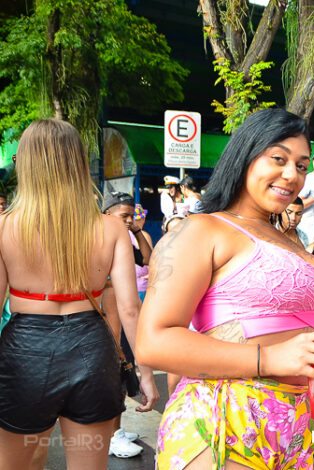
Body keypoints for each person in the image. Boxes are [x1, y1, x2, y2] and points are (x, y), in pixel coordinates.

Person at [136, 108, 314, 469]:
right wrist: (270, 358)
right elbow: (153, 342)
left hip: (295, 428)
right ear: (246, 154)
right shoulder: (203, 230)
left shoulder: (290, 239)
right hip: (223, 421)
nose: (292, 175)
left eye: (301, 165)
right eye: (278, 159)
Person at [0, 119, 157, 469]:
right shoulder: (112, 228)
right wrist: (145, 372)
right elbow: (130, 309)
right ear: (78, 162)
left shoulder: (5, 227)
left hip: (25, 353)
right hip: (92, 350)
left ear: (26, 163)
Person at [101, 192, 158, 458]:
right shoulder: (100, 241)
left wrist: (135, 230)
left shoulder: (124, 240)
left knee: (121, 376)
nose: (128, 220)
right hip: (109, 321)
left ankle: (115, 431)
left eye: (130, 216)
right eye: (123, 216)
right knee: (114, 376)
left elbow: (148, 259)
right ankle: (112, 436)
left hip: (122, 318)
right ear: (106, 214)